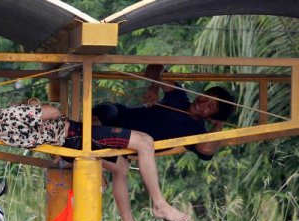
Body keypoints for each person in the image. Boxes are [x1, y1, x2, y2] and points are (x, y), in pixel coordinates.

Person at [0, 96, 191, 221]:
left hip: (68, 145)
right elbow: (52, 112)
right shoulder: (1, 116)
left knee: (122, 167)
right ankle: (158, 203)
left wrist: (29, 109)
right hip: (76, 136)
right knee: (145, 142)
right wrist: (35, 107)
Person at [92, 64, 235, 160]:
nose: (202, 103)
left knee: (99, 139)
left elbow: (207, 150)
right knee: (104, 114)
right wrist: (155, 86)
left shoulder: (196, 131)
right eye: (205, 96)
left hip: (126, 143)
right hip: (120, 115)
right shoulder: (179, 97)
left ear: (211, 117)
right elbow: (156, 67)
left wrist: (218, 124)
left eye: (209, 107)